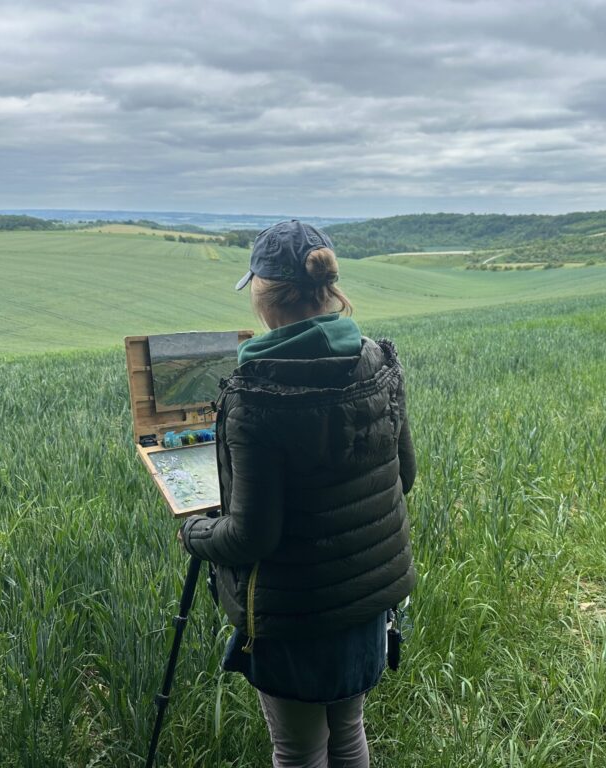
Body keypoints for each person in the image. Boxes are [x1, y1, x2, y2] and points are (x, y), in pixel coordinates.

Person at [180, 220, 416, 767]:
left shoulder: (257, 394)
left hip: (295, 616)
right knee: (348, 730)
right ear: (329, 290)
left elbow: (251, 535)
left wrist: (193, 531)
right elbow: (404, 476)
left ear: (263, 299)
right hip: (365, 608)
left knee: (298, 748)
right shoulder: (379, 363)